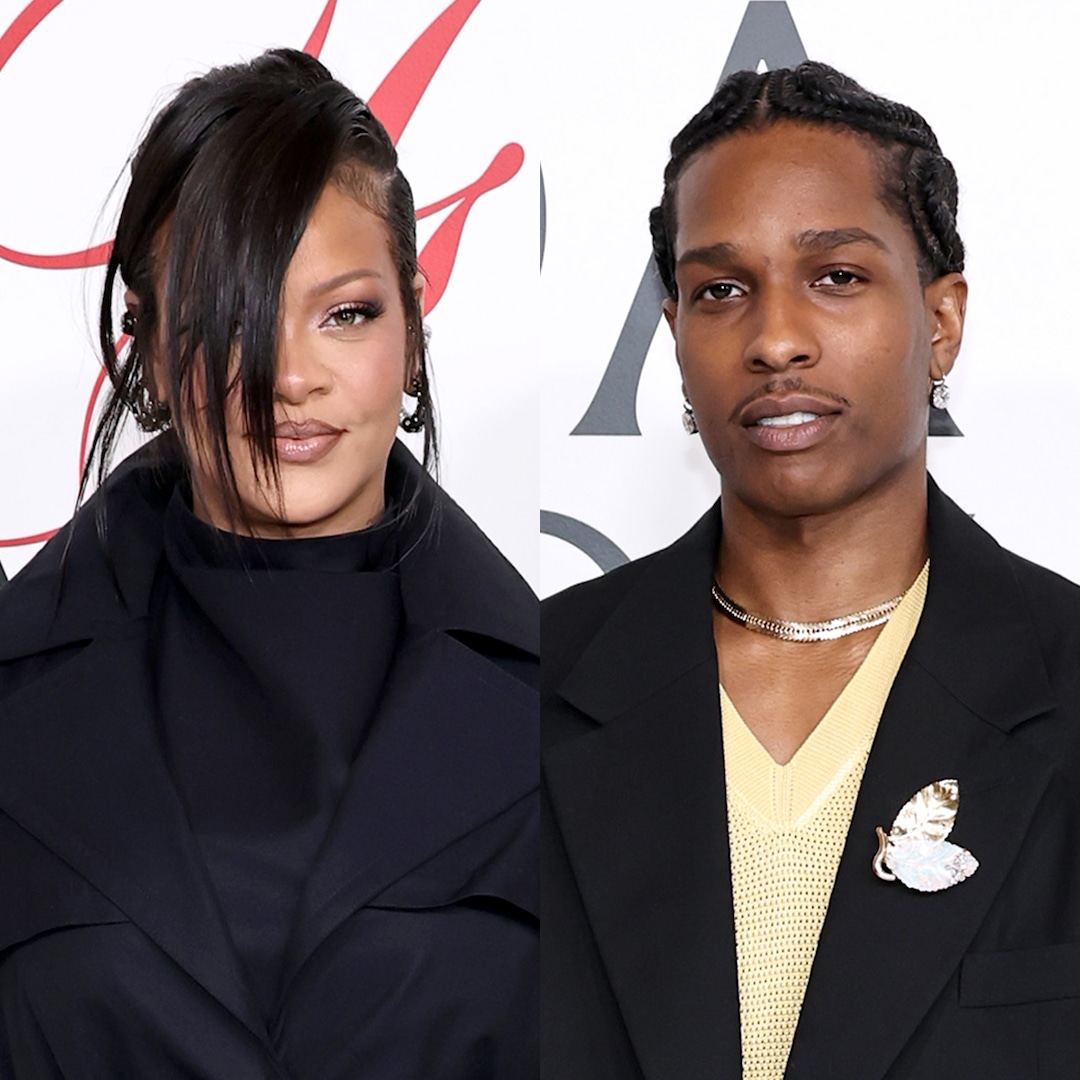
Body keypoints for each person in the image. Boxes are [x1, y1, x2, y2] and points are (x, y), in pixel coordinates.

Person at [0, 49, 537, 1078]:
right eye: (232, 317)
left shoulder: (567, 706)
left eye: (346, 313)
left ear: (413, 323)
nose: (290, 377)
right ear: (149, 347)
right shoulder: (17, 693)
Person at [541, 61, 1080, 1080]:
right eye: (721, 291)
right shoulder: (524, 688)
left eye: (836, 277)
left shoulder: (1063, 673)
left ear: (942, 322)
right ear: (675, 334)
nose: (776, 339)